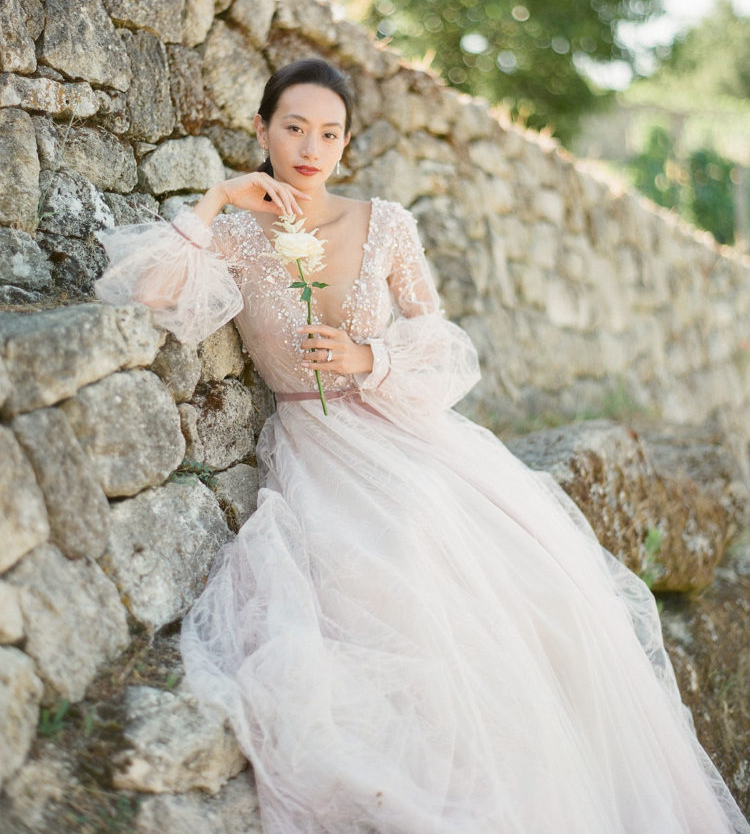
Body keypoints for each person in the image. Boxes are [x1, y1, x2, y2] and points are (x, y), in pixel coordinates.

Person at [95, 58, 749, 834]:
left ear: (346, 142)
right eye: (294, 127)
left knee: (516, 587)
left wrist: (367, 359)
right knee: (383, 582)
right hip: (318, 448)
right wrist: (213, 201)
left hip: (409, 433)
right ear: (262, 129)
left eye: (330, 133)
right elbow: (148, 293)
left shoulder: (386, 223)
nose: (311, 146)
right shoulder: (236, 236)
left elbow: (440, 347)